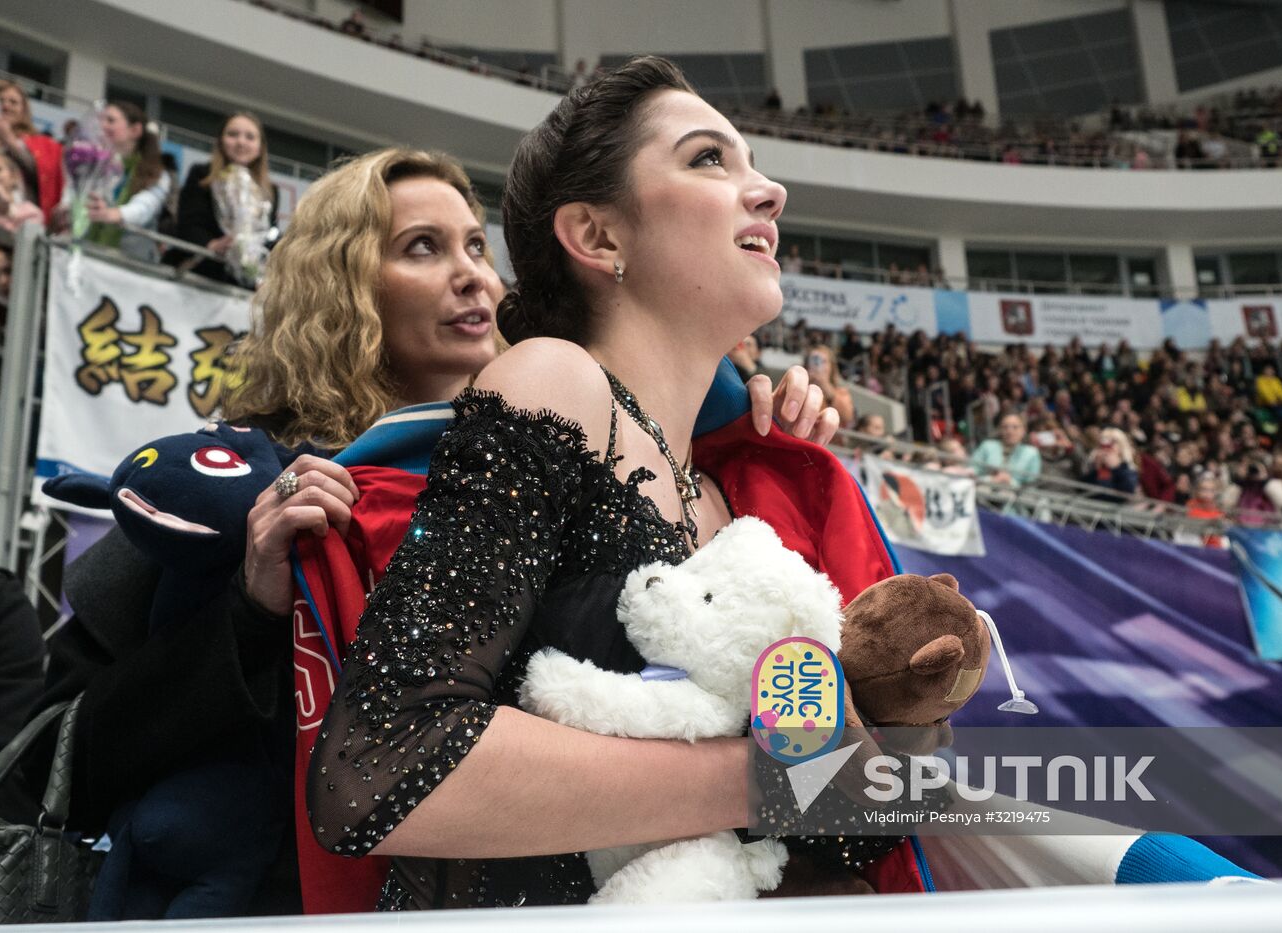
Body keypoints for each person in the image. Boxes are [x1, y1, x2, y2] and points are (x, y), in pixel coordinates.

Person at [30, 144, 834, 915]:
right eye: (423, 248)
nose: (473, 277)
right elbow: (51, 761)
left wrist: (755, 451)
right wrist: (248, 610)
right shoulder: (235, 488)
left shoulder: (574, 460)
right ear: (340, 288)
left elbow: (772, 724)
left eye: (478, 246)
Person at [306, 56, 905, 911]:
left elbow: (853, 812)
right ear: (598, 237)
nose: (768, 191)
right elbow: (379, 763)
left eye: (752, 164)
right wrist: (759, 777)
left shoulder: (737, 491)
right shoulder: (553, 383)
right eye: (709, 159)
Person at [163, 112, 280, 284]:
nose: (241, 142)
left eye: (250, 137)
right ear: (221, 141)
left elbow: (268, 235)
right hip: (198, 272)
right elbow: (188, 223)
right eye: (233, 134)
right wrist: (212, 245)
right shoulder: (201, 175)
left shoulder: (271, 191)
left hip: (242, 283)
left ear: (260, 147)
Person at [64, 101, 172, 263]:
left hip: (132, 267)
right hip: (89, 257)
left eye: (111, 120)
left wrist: (110, 214)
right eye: (101, 120)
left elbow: (143, 209)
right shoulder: (95, 164)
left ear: (135, 130)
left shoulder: (158, 175)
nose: (102, 125)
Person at [0, 79, 62, 220]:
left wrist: (9, 140)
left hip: (18, 218)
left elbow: (41, 173)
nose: (5, 106)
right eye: (1, 101)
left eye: (13, 102)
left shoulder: (40, 142)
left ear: (24, 109)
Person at [969, 411, 1041, 487]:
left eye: (1015, 427)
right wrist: (990, 479)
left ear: (1023, 431)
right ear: (1000, 430)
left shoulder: (1032, 453)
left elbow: (1032, 483)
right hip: (984, 488)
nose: (1010, 431)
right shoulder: (987, 445)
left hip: (1016, 494)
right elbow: (973, 469)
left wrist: (1010, 481)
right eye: (1005, 427)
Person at [806, 343, 855, 426]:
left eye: (823, 361)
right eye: (814, 361)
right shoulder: (801, 387)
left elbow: (848, 417)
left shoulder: (842, 392)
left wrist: (827, 389)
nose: (818, 365)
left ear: (831, 366)